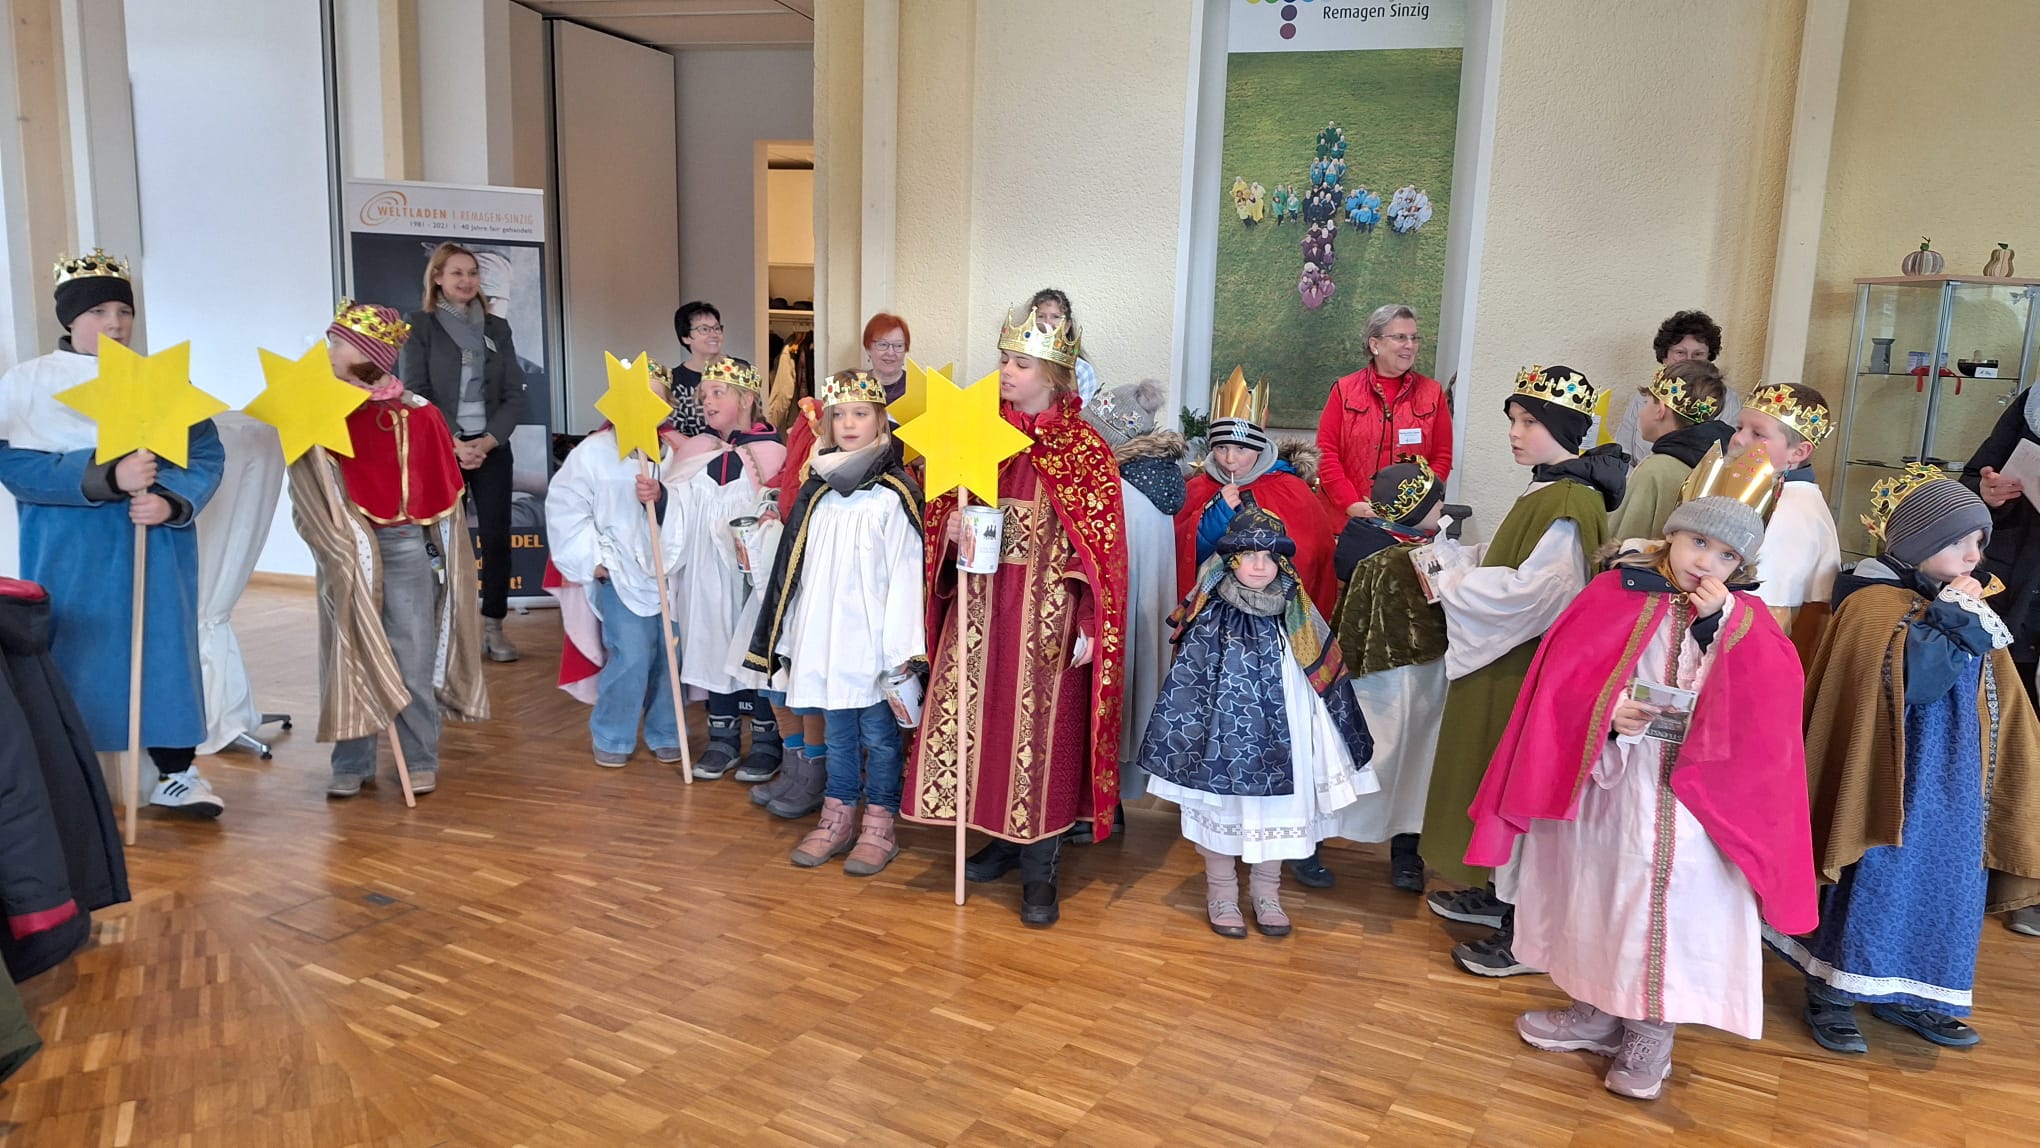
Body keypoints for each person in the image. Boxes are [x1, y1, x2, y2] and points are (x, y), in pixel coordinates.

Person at [1467, 481, 1817, 1100]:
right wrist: (1609, 713)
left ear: (1743, 568)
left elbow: (1770, 704)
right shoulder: (1612, 593)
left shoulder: (1747, 620)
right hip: (1610, 784)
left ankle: (1650, 1034)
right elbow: (1562, 685)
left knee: (1667, 909)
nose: (1706, 562)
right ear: (1672, 535)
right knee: (1596, 893)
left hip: (1694, 798)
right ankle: (1596, 1011)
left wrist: (1722, 626)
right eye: (1699, 542)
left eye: (1727, 556)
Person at [1771, 466, 2040, 1054]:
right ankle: (1832, 989)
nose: (1975, 554)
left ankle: (1920, 994)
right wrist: (1956, 618)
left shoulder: (1956, 598)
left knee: (1947, 881)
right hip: (1888, 775)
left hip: (1955, 781)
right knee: (1875, 870)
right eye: (1960, 541)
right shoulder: (1872, 604)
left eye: (1980, 542)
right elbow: (1918, 679)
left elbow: (2001, 690)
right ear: (1920, 544)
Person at [902, 304, 1128, 927]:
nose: (1005, 372)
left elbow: (1099, 547)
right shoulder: (973, 430)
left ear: (1054, 375)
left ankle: (1040, 867)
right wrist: (945, 529)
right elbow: (940, 512)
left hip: (1045, 616)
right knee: (980, 723)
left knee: (1039, 735)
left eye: (1020, 363)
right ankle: (996, 837)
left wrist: (1086, 619)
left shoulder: (1083, 450)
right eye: (1003, 360)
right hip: (979, 606)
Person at [0, 249, 226, 817]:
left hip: (153, 541)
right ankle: (75, 774)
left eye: (123, 310)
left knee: (164, 650)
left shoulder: (160, 382)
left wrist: (171, 499)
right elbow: (15, 466)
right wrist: (105, 475)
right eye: (99, 311)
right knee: (78, 649)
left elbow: (203, 452)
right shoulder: (28, 384)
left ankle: (176, 772)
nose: (116, 324)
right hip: (71, 548)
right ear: (70, 320)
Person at [1421, 365, 1626, 977]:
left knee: (1515, 784)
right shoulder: (1550, 488)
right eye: (1512, 419)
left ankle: (1523, 928)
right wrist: (1463, 558)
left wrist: (1454, 581)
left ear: (1562, 428)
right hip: (1507, 659)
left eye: (1529, 422)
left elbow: (1541, 593)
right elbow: (1518, 561)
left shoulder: (1569, 498)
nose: (1514, 433)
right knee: (1491, 775)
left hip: (1524, 666)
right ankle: (1496, 891)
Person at [1143, 507, 1377, 937]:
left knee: (1278, 812)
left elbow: (1322, 669)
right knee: (1222, 808)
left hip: (1285, 738)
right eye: (1248, 555)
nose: (1258, 565)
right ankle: (1222, 892)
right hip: (1222, 741)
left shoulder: (1296, 611)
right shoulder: (1210, 613)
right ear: (1230, 560)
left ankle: (1267, 891)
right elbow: (1189, 684)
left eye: (1269, 557)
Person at [289, 301, 489, 798]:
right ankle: (351, 760)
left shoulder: (419, 416)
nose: (328, 350)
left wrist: (443, 562)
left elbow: (442, 498)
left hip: (403, 547)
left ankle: (417, 756)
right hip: (347, 546)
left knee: (412, 653)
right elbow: (308, 492)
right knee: (348, 649)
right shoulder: (317, 416)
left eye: (337, 343)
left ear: (365, 352)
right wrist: (337, 543)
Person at [743, 370, 924, 875]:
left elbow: (907, 576)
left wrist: (900, 656)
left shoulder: (894, 493)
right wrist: (792, 637)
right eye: (839, 414)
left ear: (881, 421)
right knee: (839, 735)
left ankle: (880, 825)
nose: (848, 423)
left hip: (873, 646)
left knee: (880, 738)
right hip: (825, 642)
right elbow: (796, 572)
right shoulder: (817, 491)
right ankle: (838, 815)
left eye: (860, 413)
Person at [545, 364, 691, 768]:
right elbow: (566, 507)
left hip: (666, 572)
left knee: (670, 654)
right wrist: (594, 559)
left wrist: (662, 498)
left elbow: (689, 508)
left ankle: (667, 729)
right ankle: (613, 731)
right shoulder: (593, 453)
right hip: (620, 571)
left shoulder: (676, 455)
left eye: (656, 397)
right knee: (630, 654)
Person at [400, 243, 530, 664]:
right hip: (443, 448)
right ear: (437, 277)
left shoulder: (497, 329)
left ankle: (494, 625)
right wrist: (454, 442)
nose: (466, 281)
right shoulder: (419, 327)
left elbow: (513, 394)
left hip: (491, 447)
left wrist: (488, 441)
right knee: (444, 540)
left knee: (494, 538)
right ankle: (451, 627)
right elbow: (416, 393)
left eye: (472, 273)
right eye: (456, 273)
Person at [1071, 379, 1187, 844]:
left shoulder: (1118, 488)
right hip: (1143, 614)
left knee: (1109, 701)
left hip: (1117, 616)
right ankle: (1111, 802)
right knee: (1131, 698)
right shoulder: (1156, 478)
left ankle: (1097, 807)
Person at [1326, 456, 1448, 891]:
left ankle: (1406, 848)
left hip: (1418, 680)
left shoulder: (1427, 549)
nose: (1443, 511)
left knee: (1414, 762)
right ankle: (1320, 837)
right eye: (1437, 504)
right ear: (1415, 509)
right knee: (1376, 757)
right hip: (1386, 680)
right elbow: (1357, 619)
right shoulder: (1387, 558)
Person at [669, 359, 786, 782]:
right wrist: (659, 497)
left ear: (747, 398)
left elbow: (783, 506)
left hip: (751, 574)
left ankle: (767, 741)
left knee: (752, 649)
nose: (707, 402)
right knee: (710, 643)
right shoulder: (697, 450)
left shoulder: (774, 452)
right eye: (703, 396)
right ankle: (721, 739)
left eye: (718, 393)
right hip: (706, 570)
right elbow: (677, 509)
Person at [1964, 387, 2040, 936]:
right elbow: (1975, 478)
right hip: (2022, 591)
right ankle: (2005, 870)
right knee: (2008, 726)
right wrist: (1990, 491)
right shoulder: (2035, 401)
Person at [1176, 367, 1340, 611]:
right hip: (1212, 616)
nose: (1230, 459)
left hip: (1276, 616)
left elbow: (1315, 558)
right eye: (1221, 448)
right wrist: (1215, 517)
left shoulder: (1291, 489)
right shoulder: (1198, 487)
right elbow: (1177, 558)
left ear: (1259, 448)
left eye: (1241, 449)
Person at [1317, 304, 1455, 519]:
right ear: (1375, 344)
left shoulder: (1432, 393)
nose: (1410, 345)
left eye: (1414, 338)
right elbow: (1326, 454)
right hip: (1348, 520)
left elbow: (1442, 457)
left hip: (1410, 525)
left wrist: (1416, 507)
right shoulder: (1344, 390)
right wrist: (1350, 503)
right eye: (1400, 337)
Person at [1729, 382, 1840, 646]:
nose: (1738, 439)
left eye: (1758, 434)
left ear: (1799, 452)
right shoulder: (1772, 493)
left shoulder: (1787, 510)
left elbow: (1768, 607)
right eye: (1739, 427)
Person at [1605, 361, 1732, 542]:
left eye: (1647, 402)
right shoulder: (1717, 463)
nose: (1641, 412)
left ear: (1660, 410)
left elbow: (1623, 540)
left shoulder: (1656, 470)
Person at [1613, 310, 1742, 468]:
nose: (1688, 360)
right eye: (1680, 353)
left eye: (1698, 354)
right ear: (1665, 356)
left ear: (1709, 358)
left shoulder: (1726, 399)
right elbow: (1621, 455)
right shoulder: (1643, 398)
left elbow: (1728, 457)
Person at [668, 301, 751, 439]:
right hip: (697, 456)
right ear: (686, 337)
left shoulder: (740, 368)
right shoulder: (675, 380)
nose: (714, 334)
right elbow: (676, 434)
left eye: (717, 328)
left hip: (744, 449)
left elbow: (755, 415)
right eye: (704, 329)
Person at [1027, 288, 1100, 407]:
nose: (1047, 323)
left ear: (1067, 326)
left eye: (1055, 316)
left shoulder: (1081, 370)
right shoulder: (1019, 362)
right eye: (1041, 316)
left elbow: (1083, 414)